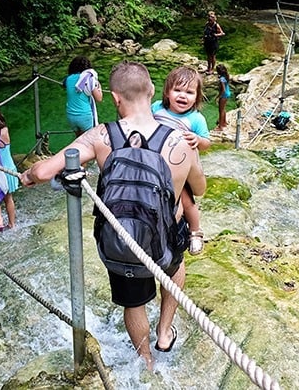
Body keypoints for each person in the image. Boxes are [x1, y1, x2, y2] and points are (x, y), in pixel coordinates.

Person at [20, 61, 206, 371]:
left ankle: (145, 360)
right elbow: (199, 188)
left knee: (133, 302)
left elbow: (43, 171)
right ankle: (163, 333)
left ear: (116, 98)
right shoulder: (179, 139)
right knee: (174, 270)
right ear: (151, 93)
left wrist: (28, 174)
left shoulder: (101, 136)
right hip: (168, 235)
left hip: (125, 239)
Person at [151, 66, 210, 255]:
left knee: (186, 200)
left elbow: (206, 142)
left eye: (189, 92)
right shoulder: (156, 108)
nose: (183, 96)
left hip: (181, 169)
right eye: (177, 90)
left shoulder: (195, 119)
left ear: (197, 97)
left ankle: (195, 231)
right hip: (155, 164)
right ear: (167, 92)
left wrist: (198, 140)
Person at [63, 56, 103, 137]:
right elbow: (99, 98)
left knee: (78, 140)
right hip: (84, 116)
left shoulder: (68, 79)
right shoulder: (89, 79)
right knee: (88, 142)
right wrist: (99, 86)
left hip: (71, 115)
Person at [214, 63, 232, 130]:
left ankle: (220, 126)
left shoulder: (221, 79)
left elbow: (223, 89)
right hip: (228, 93)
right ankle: (224, 122)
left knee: (220, 110)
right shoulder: (226, 76)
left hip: (224, 94)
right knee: (223, 109)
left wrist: (218, 97)